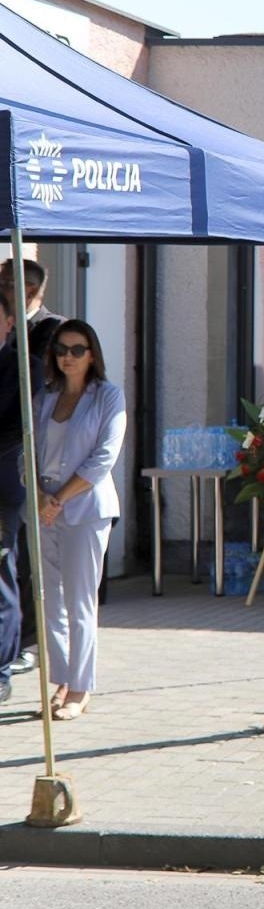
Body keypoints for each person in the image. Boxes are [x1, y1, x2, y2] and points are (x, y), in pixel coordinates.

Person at [32, 320, 127, 721]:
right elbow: (28, 450)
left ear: (92, 355)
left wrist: (61, 498)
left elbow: (104, 457)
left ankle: (81, 687)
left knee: (79, 600)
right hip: (43, 506)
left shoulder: (108, 396)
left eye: (77, 349)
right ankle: (61, 681)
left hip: (85, 507)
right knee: (50, 601)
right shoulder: (46, 396)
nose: (68, 357)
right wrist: (40, 495)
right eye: (61, 349)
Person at [0, 257, 63, 677]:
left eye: (10, 282)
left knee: (21, 560)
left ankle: (25, 643)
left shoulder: (51, 330)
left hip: (25, 464)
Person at [0, 291, 42, 704]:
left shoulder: (23, 368)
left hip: (1, 488)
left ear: (9, 323)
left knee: (1, 575)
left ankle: (0, 670)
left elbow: (17, 430)